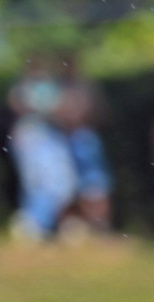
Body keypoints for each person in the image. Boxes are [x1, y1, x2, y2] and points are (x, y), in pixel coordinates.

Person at [7, 58, 78, 240]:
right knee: (37, 183)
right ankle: (33, 223)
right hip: (33, 139)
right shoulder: (23, 89)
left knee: (59, 183)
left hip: (49, 138)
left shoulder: (50, 87)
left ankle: (44, 223)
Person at [58, 62, 111, 232]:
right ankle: (90, 222)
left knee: (94, 182)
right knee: (78, 183)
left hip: (84, 136)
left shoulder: (83, 87)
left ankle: (99, 222)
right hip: (71, 138)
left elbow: (97, 111)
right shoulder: (65, 87)